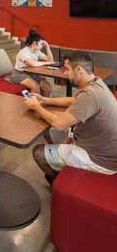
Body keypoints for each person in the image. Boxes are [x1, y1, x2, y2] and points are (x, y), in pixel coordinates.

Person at [25, 52, 117, 184]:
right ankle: (61, 162)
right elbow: (72, 100)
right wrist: (45, 100)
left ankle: (58, 183)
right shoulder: (96, 83)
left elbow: (58, 124)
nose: (65, 73)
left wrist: (36, 106)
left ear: (79, 70)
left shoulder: (90, 94)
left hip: (99, 160)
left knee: (38, 152)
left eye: (67, 69)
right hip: (102, 148)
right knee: (50, 132)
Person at [11, 29, 54, 96]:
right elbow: (33, 63)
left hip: (32, 73)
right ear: (34, 43)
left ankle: (47, 101)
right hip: (19, 74)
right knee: (36, 86)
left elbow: (51, 60)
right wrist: (46, 63)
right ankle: (33, 102)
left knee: (46, 86)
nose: (42, 46)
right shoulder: (24, 52)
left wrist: (47, 47)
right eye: (41, 44)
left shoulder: (37, 51)